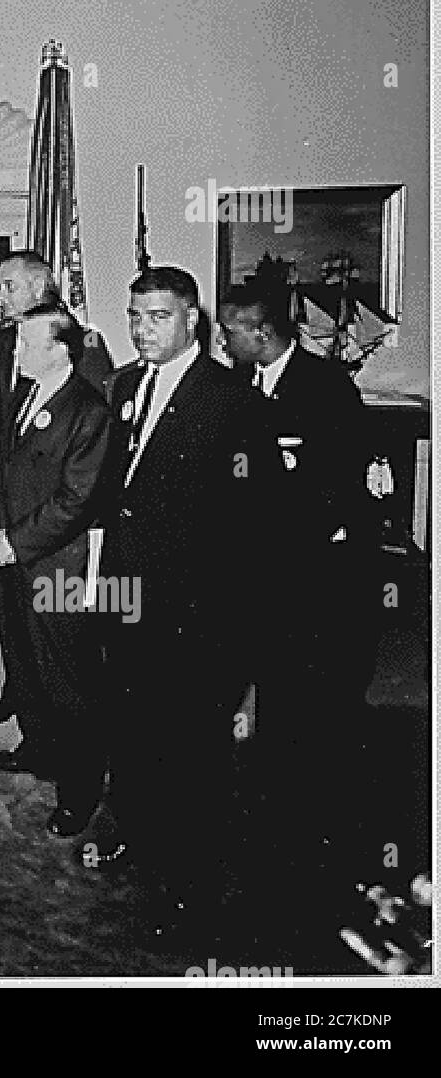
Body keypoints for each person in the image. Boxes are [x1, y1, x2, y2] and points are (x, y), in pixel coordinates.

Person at [97, 265, 279, 938]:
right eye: (137, 315)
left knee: (194, 757)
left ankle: (192, 890)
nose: (144, 329)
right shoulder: (125, 386)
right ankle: (139, 837)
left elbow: (258, 534)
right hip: (131, 602)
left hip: (198, 621)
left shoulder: (234, 404)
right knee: (135, 736)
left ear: (193, 320)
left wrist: (235, 644)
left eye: (160, 317)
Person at [219, 281, 377, 885]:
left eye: (231, 330)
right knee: (270, 672)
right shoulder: (238, 384)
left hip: (314, 563)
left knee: (314, 684)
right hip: (260, 561)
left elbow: (339, 477)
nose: (224, 339)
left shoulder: (324, 385)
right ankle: (269, 781)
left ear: (261, 332)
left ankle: (313, 814)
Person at [0, 303, 112, 839]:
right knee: (25, 664)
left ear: (61, 350)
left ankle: (78, 793)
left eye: (28, 344)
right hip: (13, 556)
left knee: (67, 679)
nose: (17, 352)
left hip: (60, 566)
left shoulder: (88, 410)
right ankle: (37, 750)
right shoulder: (24, 395)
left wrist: (13, 541)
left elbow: (77, 499)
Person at [0, 249, 114, 726]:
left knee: (61, 653)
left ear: (39, 285)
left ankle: (62, 746)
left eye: (8, 286)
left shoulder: (82, 346)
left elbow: (87, 454)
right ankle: (21, 700)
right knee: (16, 630)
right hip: (9, 517)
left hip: (54, 537)